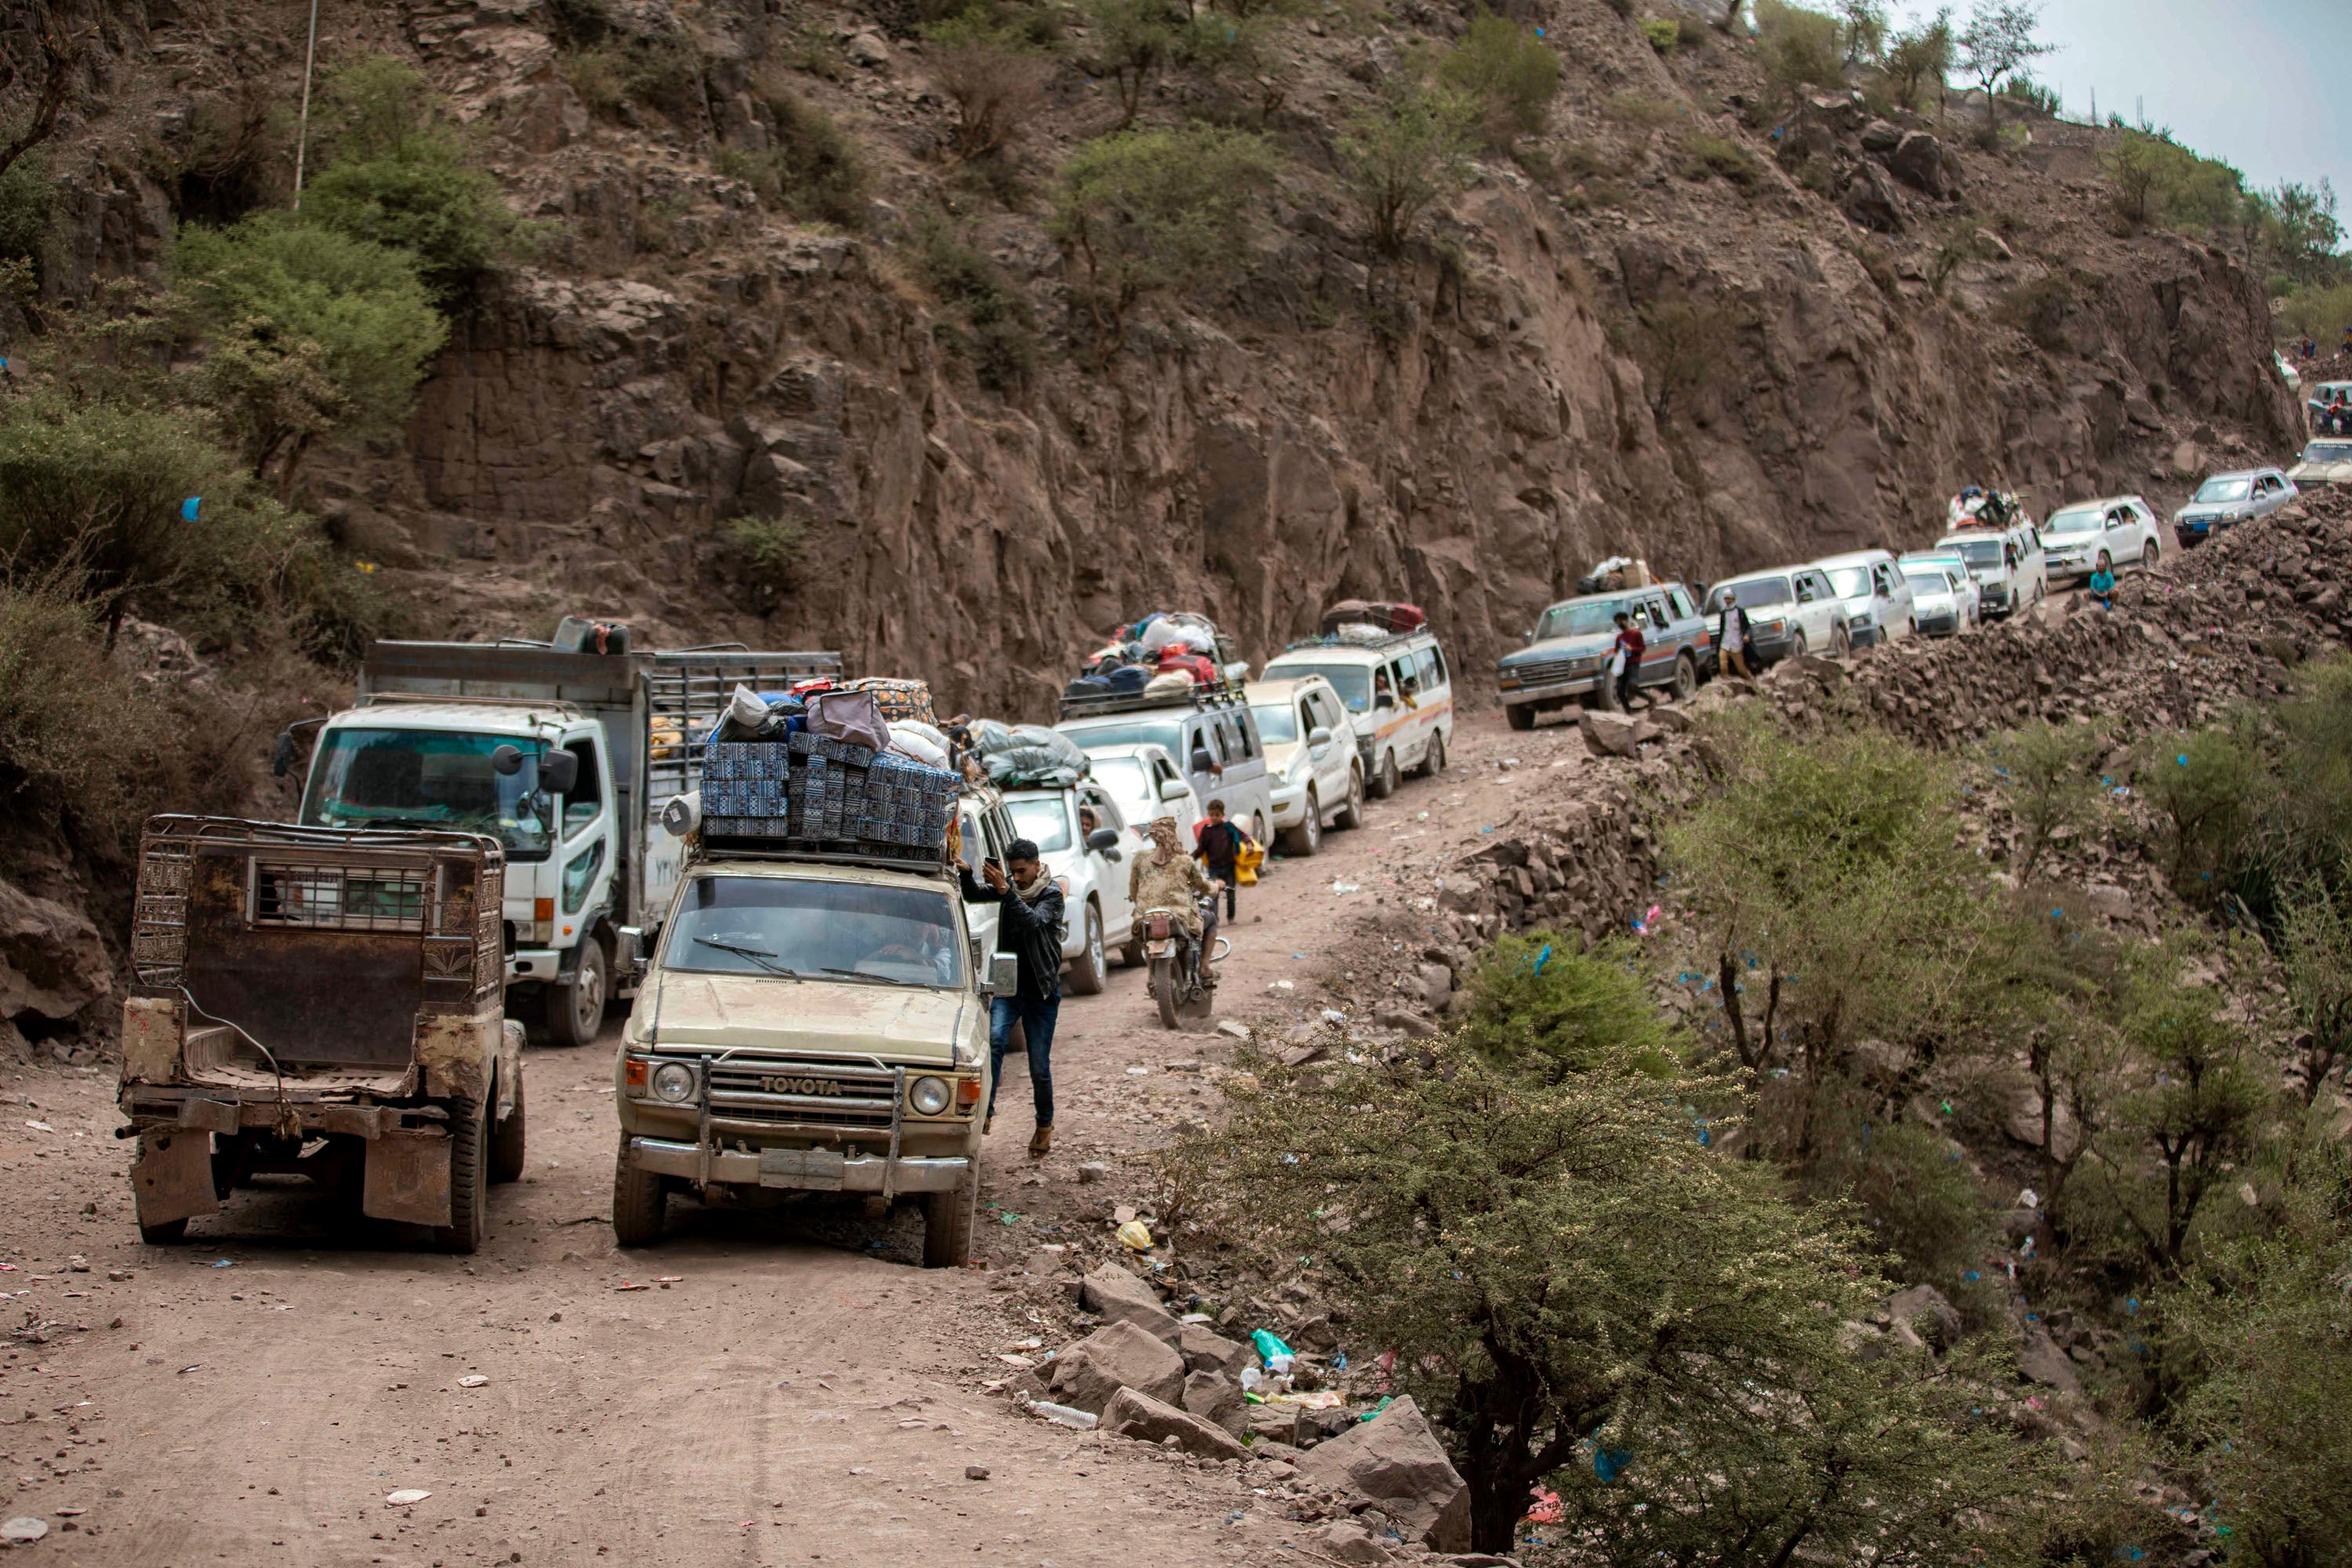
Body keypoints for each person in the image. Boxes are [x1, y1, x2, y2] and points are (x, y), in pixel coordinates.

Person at [958, 837, 1065, 1154]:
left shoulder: (1052, 894)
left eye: (1021, 872)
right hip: (1010, 988)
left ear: (1036, 865)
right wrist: (966, 873)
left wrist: (1006, 890)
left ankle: (1044, 1125)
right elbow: (974, 895)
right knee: (994, 1042)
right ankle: (985, 1115)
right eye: (1012, 872)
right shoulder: (1010, 888)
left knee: (1039, 1067)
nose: (1017, 878)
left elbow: (1033, 923)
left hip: (1042, 993)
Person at [1130, 815, 1219, 989]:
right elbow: (1204, 886)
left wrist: (1142, 904)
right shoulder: (1184, 860)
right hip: (1180, 917)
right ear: (1173, 834)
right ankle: (1205, 967)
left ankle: (1151, 974)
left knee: (1147, 940)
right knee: (1211, 920)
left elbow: (1134, 890)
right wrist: (1217, 887)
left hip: (1146, 917)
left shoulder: (1140, 858)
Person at [1192, 799, 1254, 922]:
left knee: (1231, 894)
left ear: (1223, 815)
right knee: (1214, 894)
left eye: (1217, 815)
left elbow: (1242, 835)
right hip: (1214, 868)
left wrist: (1249, 844)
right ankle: (1215, 919)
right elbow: (1201, 850)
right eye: (1212, 815)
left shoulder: (1229, 828)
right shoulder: (1206, 831)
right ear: (1208, 815)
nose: (1214, 818)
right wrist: (1189, 859)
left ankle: (1231, 918)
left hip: (1229, 866)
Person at [1610, 610, 1646, 710]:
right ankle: (1628, 710)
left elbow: (1642, 648)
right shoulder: (1619, 637)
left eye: (1621, 621)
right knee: (1620, 690)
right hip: (1623, 665)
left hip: (1634, 662)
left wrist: (1632, 649)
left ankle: (1650, 699)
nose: (1620, 624)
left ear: (1626, 621)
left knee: (1632, 686)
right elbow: (1616, 651)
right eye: (1617, 623)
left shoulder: (1636, 634)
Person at [1717, 590, 1754, 679]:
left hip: (1736, 643)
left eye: (1729, 599)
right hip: (1725, 643)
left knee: (1741, 669)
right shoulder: (1723, 613)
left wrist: (1746, 635)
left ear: (1733, 599)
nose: (1728, 601)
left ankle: (1751, 681)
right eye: (1726, 599)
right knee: (1723, 665)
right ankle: (1725, 683)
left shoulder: (1740, 612)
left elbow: (1747, 627)